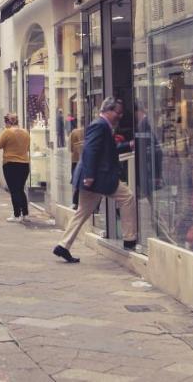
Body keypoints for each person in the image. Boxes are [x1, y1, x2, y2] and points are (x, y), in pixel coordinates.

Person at [53, 97, 138, 264]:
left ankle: (63, 246)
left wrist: (128, 145)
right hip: (98, 178)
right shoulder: (100, 125)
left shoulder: (102, 125)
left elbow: (108, 150)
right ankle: (130, 239)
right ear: (108, 110)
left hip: (94, 178)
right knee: (127, 197)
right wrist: (89, 176)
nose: (119, 116)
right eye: (117, 113)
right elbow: (90, 151)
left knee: (82, 212)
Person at [0, 113, 31, 222]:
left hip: (11, 164)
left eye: (6, 122)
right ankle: (25, 214)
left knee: (14, 190)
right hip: (24, 164)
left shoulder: (7, 132)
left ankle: (16, 215)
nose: (5, 125)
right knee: (20, 189)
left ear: (8, 122)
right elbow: (28, 148)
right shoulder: (25, 132)